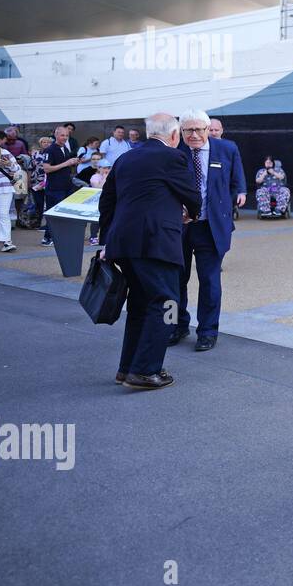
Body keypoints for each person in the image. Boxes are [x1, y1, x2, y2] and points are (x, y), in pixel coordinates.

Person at [98, 112, 201, 389]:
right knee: (167, 303)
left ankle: (126, 368)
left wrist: (105, 241)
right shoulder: (172, 157)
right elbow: (191, 194)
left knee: (140, 306)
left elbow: (106, 202)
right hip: (157, 243)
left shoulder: (125, 158)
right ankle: (145, 371)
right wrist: (192, 213)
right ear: (174, 135)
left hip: (124, 244)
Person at [169, 110, 245, 352]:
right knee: (175, 279)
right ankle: (177, 326)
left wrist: (223, 206)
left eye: (199, 130)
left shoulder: (227, 149)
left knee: (210, 280)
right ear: (180, 132)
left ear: (208, 129)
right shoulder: (172, 152)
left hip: (210, 227)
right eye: (188, 130)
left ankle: (207, 331)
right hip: (178, 228)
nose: (194, 135)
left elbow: (236, 182)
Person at [40, 125, 82, 247]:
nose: (64, 138)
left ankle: (60, 237)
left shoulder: (65, 149)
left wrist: (73, 162)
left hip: (66, 186)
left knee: (64, 213)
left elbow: (65, 165)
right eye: (62, 135)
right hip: (54, 188)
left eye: (67, 136)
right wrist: (66, 163)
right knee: (54, 213)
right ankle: (47, 238)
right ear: (56, 135)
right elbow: (46, 168)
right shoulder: (50, 150)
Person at [207, 118, 246, 219]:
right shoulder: (200, 148)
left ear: (222, 130)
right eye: (211, 130)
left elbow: (238, 170)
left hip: (225, 192)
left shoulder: (230, 147)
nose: (214, 133)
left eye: (216, 130)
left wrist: (241, 192)